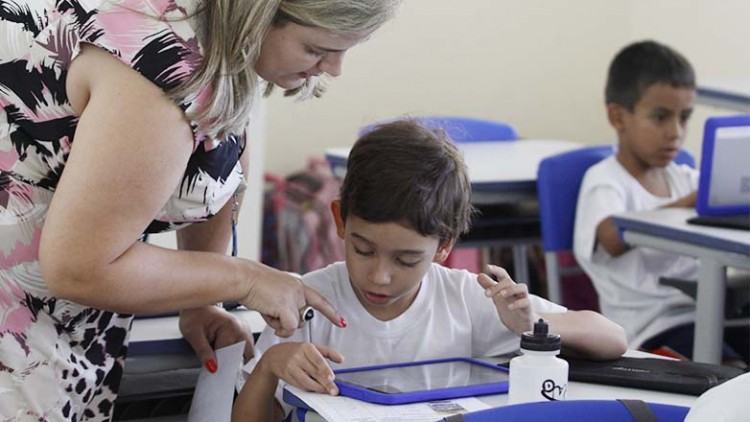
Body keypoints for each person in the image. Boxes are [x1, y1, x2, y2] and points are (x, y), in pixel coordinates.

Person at [0, 0, 400, 419]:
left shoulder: (223, 40)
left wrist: (202, 298)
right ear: (258, 18)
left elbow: (215, 160)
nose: (333, 69)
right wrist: (242, 279)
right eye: (317, 50)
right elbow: (79, 267)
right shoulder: (157, 81)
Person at [232, 120, 628, 422]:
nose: (379, 276)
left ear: (444, 246)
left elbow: (612, 338)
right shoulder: (306, 304)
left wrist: (530, 322)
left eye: (405, 260)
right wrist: (270, 364)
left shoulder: (467, 299)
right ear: (340, 219)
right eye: (363, 249)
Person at [572, 40, 745, 363]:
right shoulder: (605, 180)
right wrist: (691, 202)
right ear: (618, 117)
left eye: (685, 118)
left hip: (710, 315)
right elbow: (610, 236)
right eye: (661, 117)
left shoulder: (684, 178)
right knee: (731, 375)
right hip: (649, 332)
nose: (675, 132)